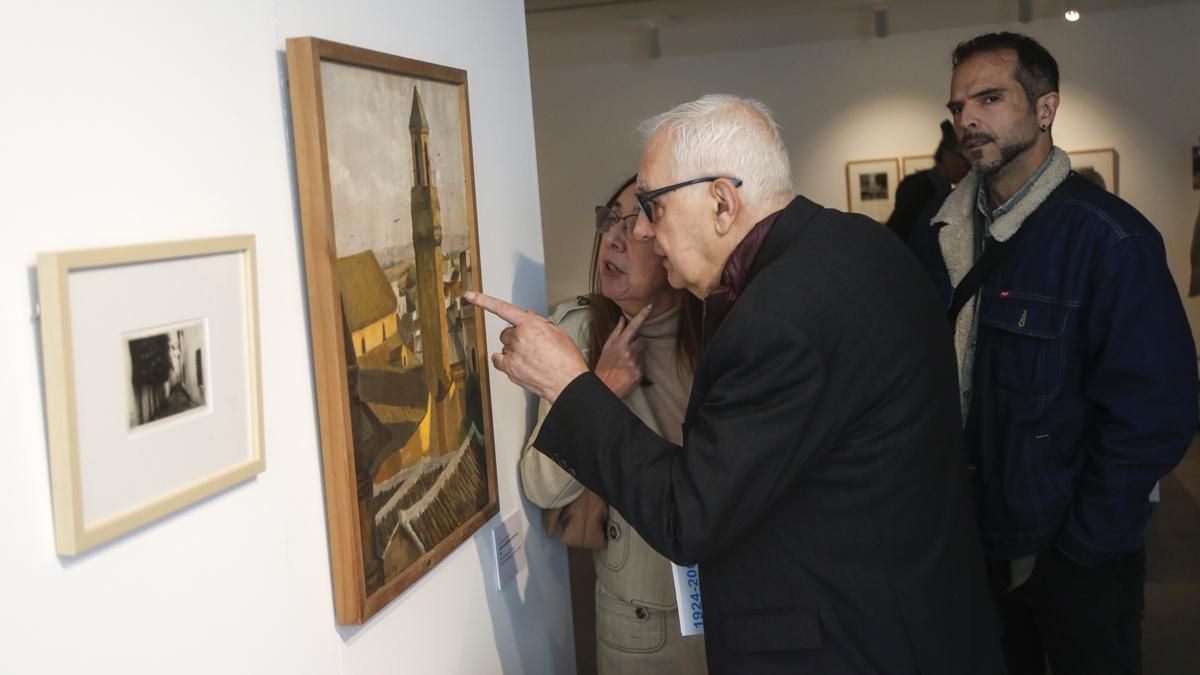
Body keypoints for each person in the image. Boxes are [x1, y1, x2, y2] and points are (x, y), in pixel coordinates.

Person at [470, 94, 1003, 674]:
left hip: (846, 642)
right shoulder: (856, 244)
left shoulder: (778, 317)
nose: (642, 231)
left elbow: (687, 514)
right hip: (908, 615)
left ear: (722, 203)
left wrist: (572, 385)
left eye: (651, 206)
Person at [907, 32, 1197, 675]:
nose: (967, 119)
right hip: (971, 543)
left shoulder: (1110, 238)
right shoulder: (936, 236)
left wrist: (1085, 541)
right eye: (957, 106)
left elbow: (1156, 411)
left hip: (1073, 554)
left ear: (1045, 109)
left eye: (989, 98)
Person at [519, 175, 707, 674]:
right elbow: (541, 486)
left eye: (635, 225)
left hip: (732, 599)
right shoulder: (579, 333)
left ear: (670, 241)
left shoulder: (721, 328)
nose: (614, 240)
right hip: (638, 619)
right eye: (610, 221)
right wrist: (600, 389)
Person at [886, 120, 970, 241]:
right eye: (964, 160)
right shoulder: (916, 187)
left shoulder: (942, 189)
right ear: (947, 155)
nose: (967, 168)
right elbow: (899, 231)